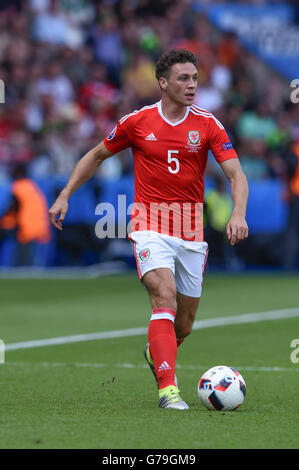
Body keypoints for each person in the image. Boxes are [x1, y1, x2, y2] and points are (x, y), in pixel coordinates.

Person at [49, 49, 249, 410]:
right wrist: (65, 194)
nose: (192, 85)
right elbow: (96, 155)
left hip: (191, 231)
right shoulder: (137, 122)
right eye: (183, 78)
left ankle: (157, 350)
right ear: (163, 82)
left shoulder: (208, 124)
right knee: (164, 297)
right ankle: (168, 390)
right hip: (149, 225)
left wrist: (238, 213)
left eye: (194, 78)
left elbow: (235, 174)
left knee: (184, 324)